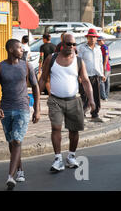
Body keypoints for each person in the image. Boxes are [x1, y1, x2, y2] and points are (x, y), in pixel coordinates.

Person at [39, 33, 96, 172]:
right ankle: (58, 159)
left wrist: (92, 100)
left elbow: (86, 81)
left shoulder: (78, 61)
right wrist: (35, 101)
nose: (72, 46)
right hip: (55, 100)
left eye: (74, 44)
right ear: (62, 44)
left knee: (74, 130)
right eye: (69, 44)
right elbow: (42, 79)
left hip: (74, 100)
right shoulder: (51, 59)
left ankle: (71, 156)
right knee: (56, 128)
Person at [0, 39, 40, 190]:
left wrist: (37, 109)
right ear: (11, 50)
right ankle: (20, 170)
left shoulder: (27, 65)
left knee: (17, 140)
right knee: (12, 142)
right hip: (6, 110)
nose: (22, 50)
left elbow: (36, 87)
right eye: (19, 48)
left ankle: (10, 176)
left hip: (22, 108)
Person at [77, 28, 105, 119]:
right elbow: (79, 62)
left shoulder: (98, 49)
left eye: (94, 37)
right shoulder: (82, 48)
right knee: (84, 95)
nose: (92, 39)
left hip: (96, 75)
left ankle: (95, 112)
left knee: (96, 95)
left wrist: (102, 74)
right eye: (90, 37)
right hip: (85, 76)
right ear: (87, 38)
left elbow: (100, 62)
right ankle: (83, 112)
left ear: (96, 38)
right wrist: (79, 75)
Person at [97, 37, 111, 101]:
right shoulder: (102, 47)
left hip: (105, 67)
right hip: (107, 67)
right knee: (106, 82)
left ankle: (104, 96)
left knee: (102, 81)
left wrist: (104, 66)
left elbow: (106, 57)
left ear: (103, 41)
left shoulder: (104, 47)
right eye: (98, 41)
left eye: (99, 41)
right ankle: (106, 96)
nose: (98, 42)